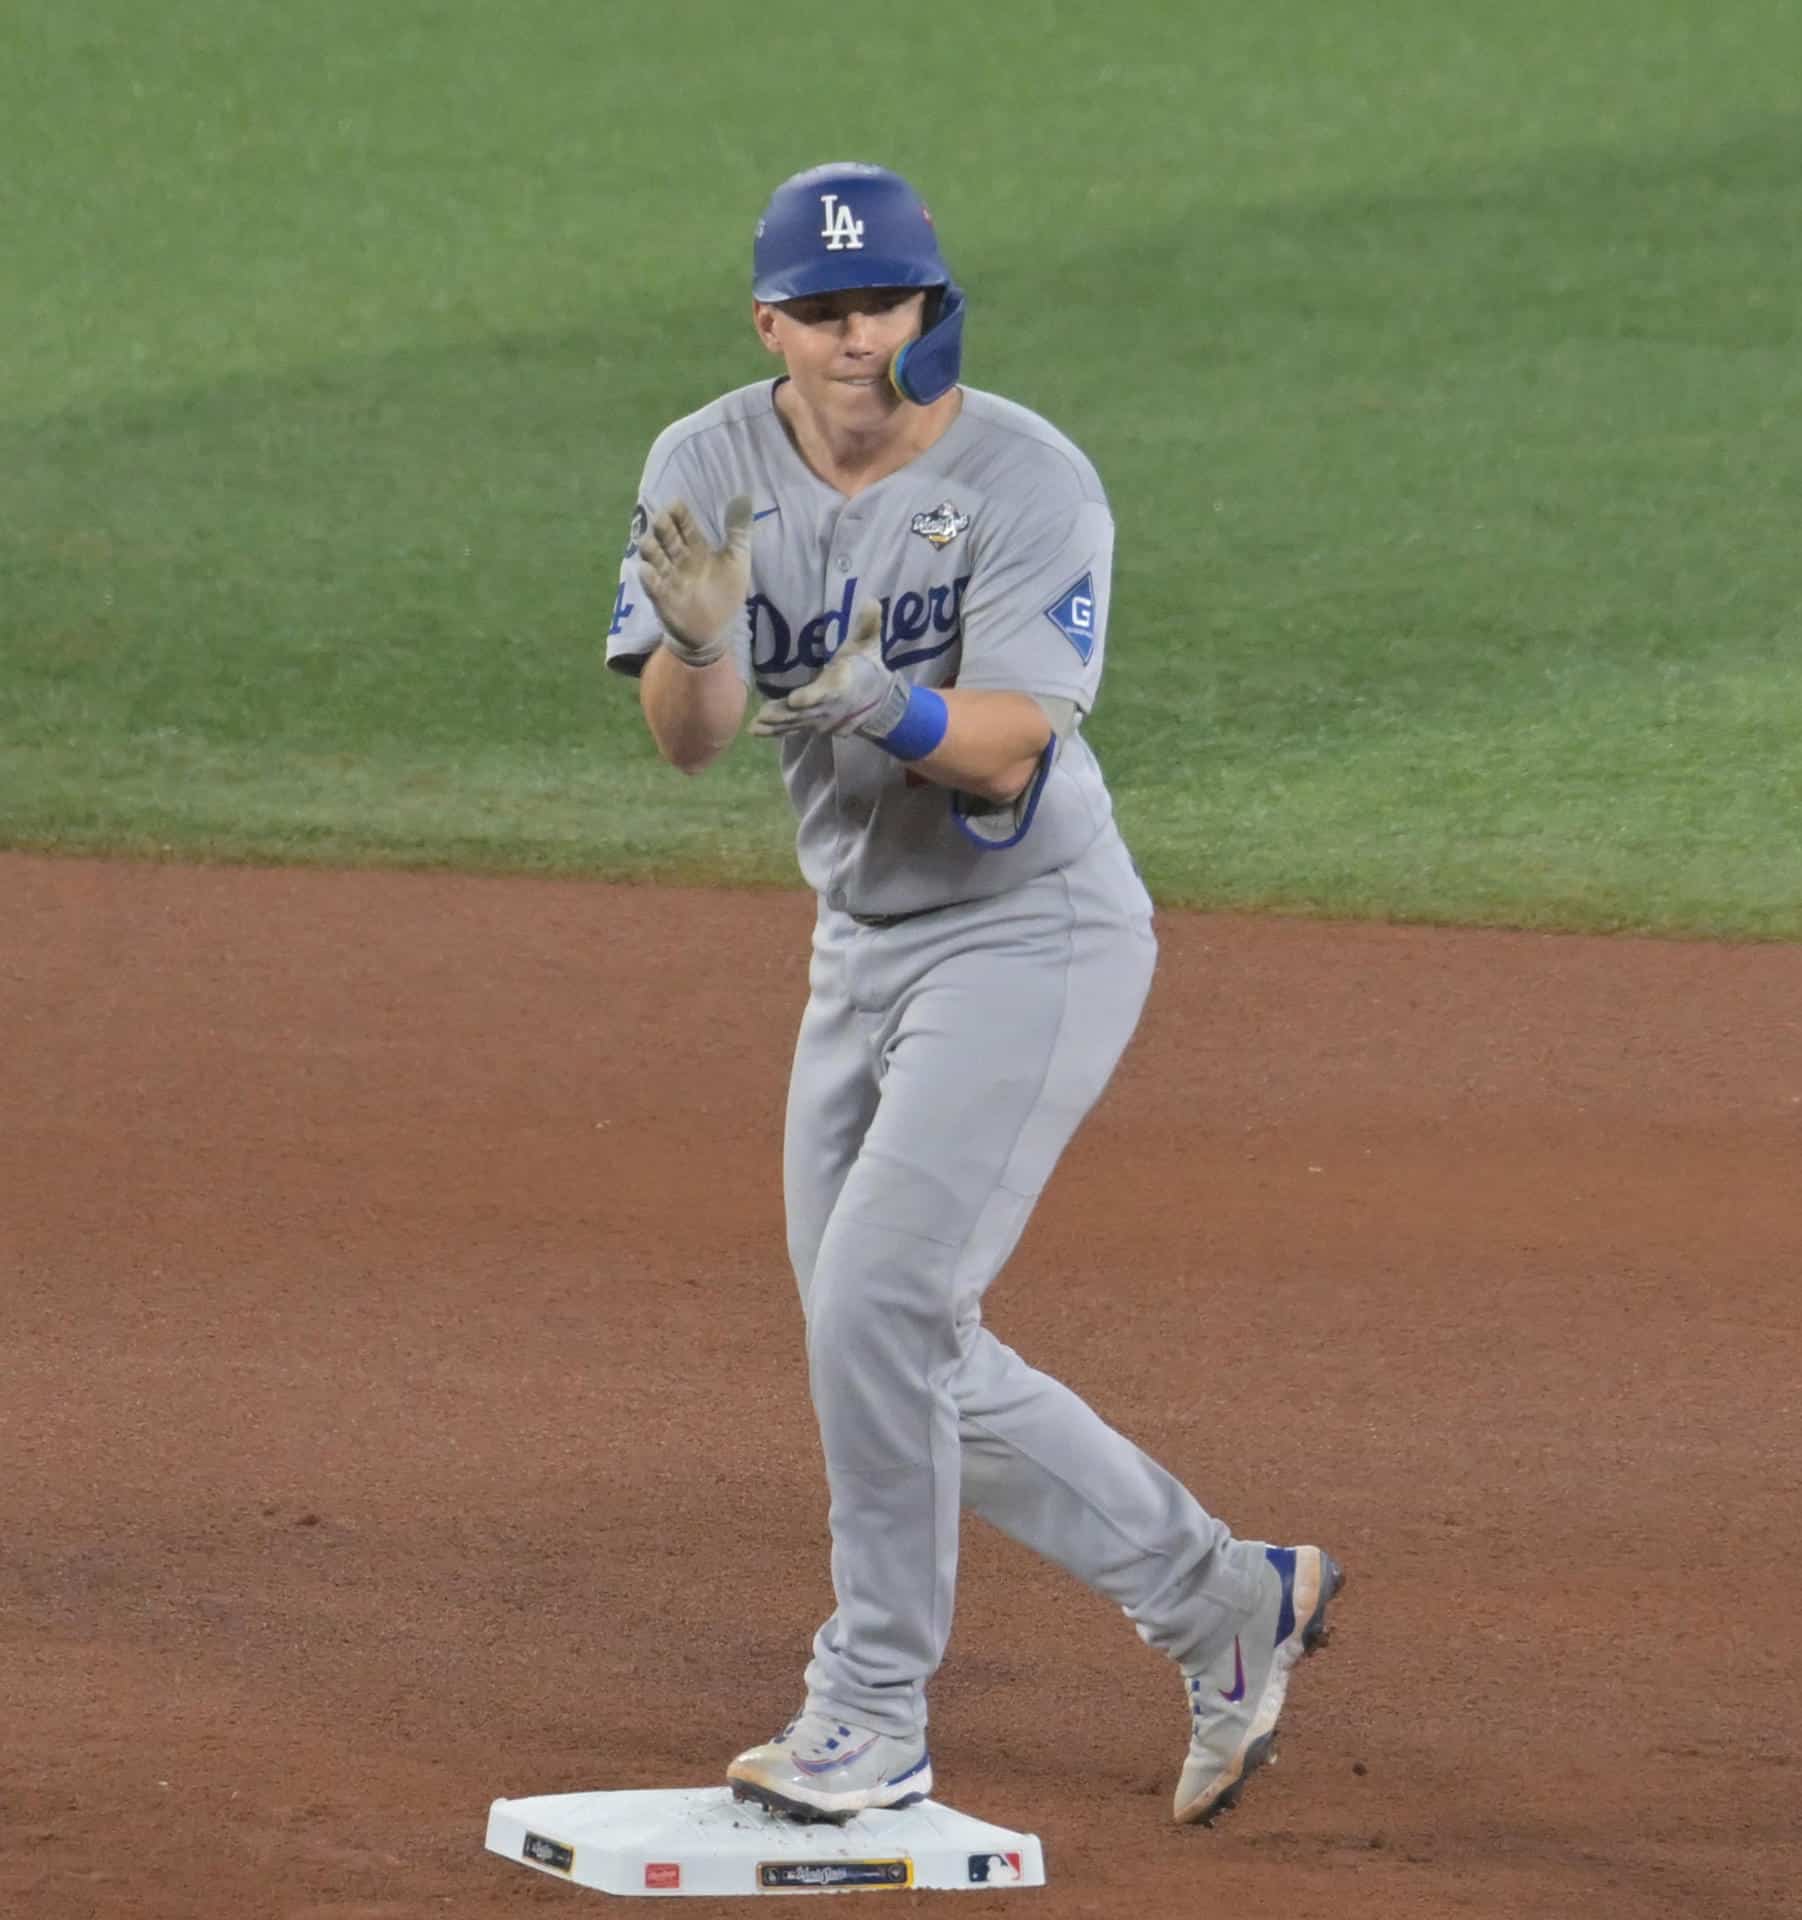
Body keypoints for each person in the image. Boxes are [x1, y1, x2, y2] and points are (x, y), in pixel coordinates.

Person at [605, 161, 1342, 1828]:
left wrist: (882, 703)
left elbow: (1014, 743)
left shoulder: (1029, 477)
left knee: (877, 1308)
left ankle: (867, 1708)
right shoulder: (702, 463)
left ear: (929, 307)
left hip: (1031, 930)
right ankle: (1220, 1595)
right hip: (855, 947)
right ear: (768, 320)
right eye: (824, 309)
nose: (859, 338)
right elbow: (688, 742)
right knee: (887, 1336)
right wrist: (701, 643)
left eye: (888, 305)